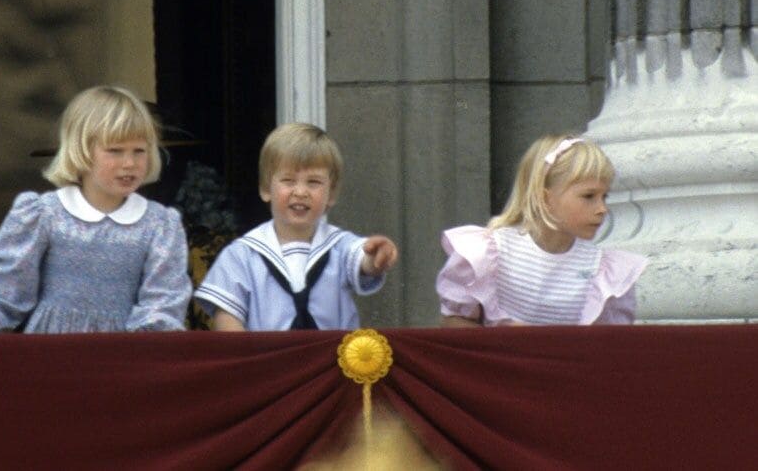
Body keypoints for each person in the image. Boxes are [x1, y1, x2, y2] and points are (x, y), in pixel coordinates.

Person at [0, 86, 192, 333]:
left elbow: (163, 301)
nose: (129, 163)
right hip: (50, 356)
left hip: (124, 359)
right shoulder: (43, 215)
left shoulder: (159, 225)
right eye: (115, 151)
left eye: (139, 151)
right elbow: (7, 287)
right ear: (81, 151)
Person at [194, 123, 398, 331]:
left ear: (332, 194)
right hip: (270, 361)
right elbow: (228, 319)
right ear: (266, 189)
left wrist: (375, 258)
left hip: (332, 360)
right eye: (288, 181)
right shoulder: (242, 255)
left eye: (313, 182)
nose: (300, 191)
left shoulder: (339, 246)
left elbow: (362, 259)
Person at [437, 134, 647, 327]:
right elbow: (454, 323)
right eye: (589, 196)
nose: (603, 209)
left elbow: (610, 345)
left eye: (605, 197)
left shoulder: (602, 272)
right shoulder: (489, 253)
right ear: (545, 197)